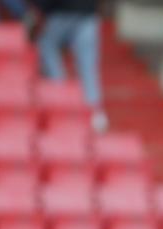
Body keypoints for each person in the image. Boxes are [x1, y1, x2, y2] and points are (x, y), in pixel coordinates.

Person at [32, 0, 107, 132]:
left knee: (46, 45)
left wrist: (40, 8)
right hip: (88, 13)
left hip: (62, 12)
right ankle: (96, 113)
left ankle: (61, 91)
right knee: (88, 65)